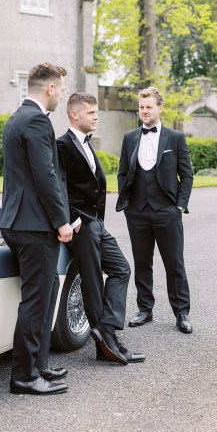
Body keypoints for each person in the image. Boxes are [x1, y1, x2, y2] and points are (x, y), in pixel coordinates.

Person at [0, 62, 73, 396]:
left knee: (48, 293)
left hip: (16, 222)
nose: (60, 96)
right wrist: (62, 221)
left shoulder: (17, 118)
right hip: (35, 226)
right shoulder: (37, 122)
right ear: (50, 89)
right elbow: (46, 177)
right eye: (60, 89)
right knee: (36, 299)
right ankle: (24, 376)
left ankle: (39, 364)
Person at [57, 92, 145, 364]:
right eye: (91, 112)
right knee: (93, 282)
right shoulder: (61, 145)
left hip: (96, 224)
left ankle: (106, 331)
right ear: (74, 114)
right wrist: (72, 219)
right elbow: (55, 188)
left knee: (121, 268)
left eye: (96, 112)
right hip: (81, 226)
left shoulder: (85, 144)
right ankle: (107, 343)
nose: (96, 117)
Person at [116, 86, 194, 334]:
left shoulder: (176, 138)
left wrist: (179, 205)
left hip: (166, 211)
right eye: (141, 107)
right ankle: (145, 309)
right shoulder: (129, 138)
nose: (145, 111)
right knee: (142, 263)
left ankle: (181, 312)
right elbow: (123, 172)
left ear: (160, 108)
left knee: (174, 263)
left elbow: (187, 175)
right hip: (137, 211)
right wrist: (127, 203)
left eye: (149, 107)